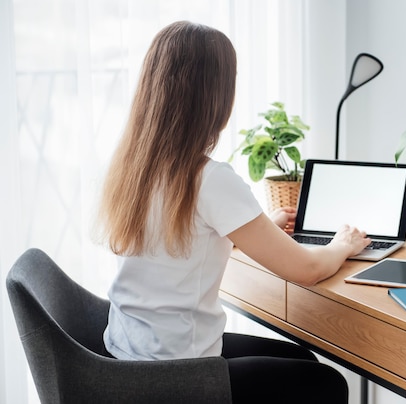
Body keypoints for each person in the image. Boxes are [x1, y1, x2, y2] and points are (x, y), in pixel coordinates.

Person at [96, 21, 371, 404]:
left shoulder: (135, 164)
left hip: (127, 356)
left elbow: (178, 241)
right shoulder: (209, 178)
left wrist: (253, 231)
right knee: (327, 384)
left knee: (301, 359)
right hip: (176, 375)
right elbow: (307, 270)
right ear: (213, 96)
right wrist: (342, 244)